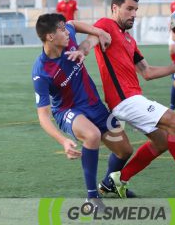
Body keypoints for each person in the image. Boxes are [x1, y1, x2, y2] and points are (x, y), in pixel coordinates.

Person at [77, 0, 175, 199]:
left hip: (134, 97)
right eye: (129, 9)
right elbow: (91, 41)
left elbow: (147, 72)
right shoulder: (106, 25)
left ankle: (117, 181)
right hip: (123, 100)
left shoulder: (130, 41)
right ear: (115, 8)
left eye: (136, 10)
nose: (134, 14)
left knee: (162, 142)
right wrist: (82, 50)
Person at [31, 13, 135, 209]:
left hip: (94, 106)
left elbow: (73, 24)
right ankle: (92, 197)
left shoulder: (68, 36)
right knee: (92, 135)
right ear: (50, 37)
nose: (66, 31)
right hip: (67, 111)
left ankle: (107, 183)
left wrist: (94, 36)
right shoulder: (41, 71)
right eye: (61, 30)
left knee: (125, 150)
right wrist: (63, 141)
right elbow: (43, 117)